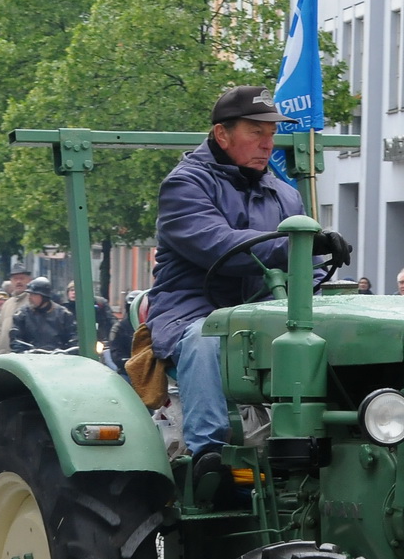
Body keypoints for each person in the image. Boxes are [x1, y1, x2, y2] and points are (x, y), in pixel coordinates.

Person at [147, 85, 348, 462]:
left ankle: (344, 440)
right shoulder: (185, 184)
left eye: (271, 134)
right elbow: (220, 245)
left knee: (333, 339)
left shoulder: (285, 195)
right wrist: (300, 245)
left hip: (268, 313)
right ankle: (210, 455)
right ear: (222, 134)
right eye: (256, 132)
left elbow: (307, 274)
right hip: (194, 309)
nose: (267, 143)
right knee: (206, 339)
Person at [12, 277, 78, 351]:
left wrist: (65, 352)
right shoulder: (22, 314)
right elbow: (16, 340)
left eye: (34, 295)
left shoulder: (64, 315)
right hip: (30, 359)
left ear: (44, 297)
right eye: (29, 294)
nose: (30, 298)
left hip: (58, 359)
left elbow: (73, 340)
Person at [0, 263, 34, 354]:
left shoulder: (33, 301)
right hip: (4, 355)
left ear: (29, 280)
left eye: (22, 278)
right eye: (15, 279)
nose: (18, 281)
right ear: (11, 281)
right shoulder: (7, 303)